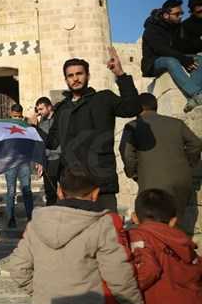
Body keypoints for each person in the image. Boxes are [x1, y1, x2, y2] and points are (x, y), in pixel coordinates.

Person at [5, 167, 146, 304]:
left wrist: (41, 292)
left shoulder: (37, 223)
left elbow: (18, 267)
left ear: (59, 191)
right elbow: (119, 276)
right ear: (95, 193)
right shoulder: (104, 224)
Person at [47, 49, 141, 213]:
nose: (75, 79)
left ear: (88, 75)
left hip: (101, 183)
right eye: (70, 75)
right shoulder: (62, 109)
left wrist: (120, 75)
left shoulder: (104, 99)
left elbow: (132, 108)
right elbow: (51, 142)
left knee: (107, 227)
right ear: (66, 79)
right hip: (72, 187)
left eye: (79, 74)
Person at [120, 93, 202, 235]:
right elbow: (195, 143)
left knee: (152, 230)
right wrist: (189, 164)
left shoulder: (133, 126)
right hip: (182, 182)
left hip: (152, 183)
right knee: (176, 226)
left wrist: (133, 173)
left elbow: (127, 152)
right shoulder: (176, 123)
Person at [129, 189, 202, 304]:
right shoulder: (184, 243)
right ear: (173, 221)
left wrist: (125, 293)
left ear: (134, 217)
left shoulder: (140, 236)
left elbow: (148, 270)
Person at [141, 0, 202, 112]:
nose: (180, 16)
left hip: (174, 57)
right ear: (166, 15)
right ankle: (196, 93)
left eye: (181, 13)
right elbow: (161, 49)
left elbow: (184, 47)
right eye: (177, 14)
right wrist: (183, 59)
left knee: (199, 59)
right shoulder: (151, 29)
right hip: (154, 62)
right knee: (170, 61)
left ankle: (193, 98)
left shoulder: (177, 27)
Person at [3, 104, 38, 228]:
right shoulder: (5, 126)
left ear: (21, 114)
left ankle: (30, 217)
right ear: (10, 114)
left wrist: (33, 126)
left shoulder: (26, 124)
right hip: (10, 162)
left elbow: (33, 139)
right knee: (11, 191)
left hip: (23, 162)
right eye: (14, 116)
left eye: (19, 116)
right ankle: (10, 218)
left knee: (27, 190)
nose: (17, 119)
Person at [34, 97, 60, 206]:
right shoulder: (42, 122)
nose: (39, 112)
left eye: (41, 109)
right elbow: (40, 142)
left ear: (49, 107)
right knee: (50, 192)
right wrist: (39, 161)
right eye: (38, 110)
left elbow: (50, 139)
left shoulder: (58, 119)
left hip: (59, 158)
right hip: (47, 160)